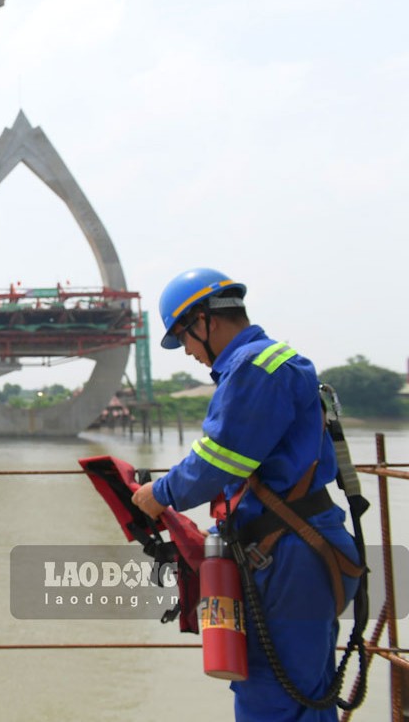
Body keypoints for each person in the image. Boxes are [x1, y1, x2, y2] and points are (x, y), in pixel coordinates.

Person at [131, 268, 363, 722]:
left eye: (185, 339)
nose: (190, 353)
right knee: (300, 691)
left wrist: (159, 493)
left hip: (290, 555)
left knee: (273, 697)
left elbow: (220, 459)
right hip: (295, 546)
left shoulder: (254, 367)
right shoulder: (268, 362)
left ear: (205, 321)